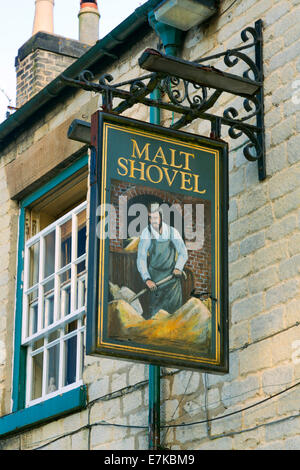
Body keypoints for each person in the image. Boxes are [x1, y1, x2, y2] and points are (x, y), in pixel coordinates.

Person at [137, 203, 188, 318]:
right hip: (155, 282)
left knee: (175, 316)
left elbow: (183, 253)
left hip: (171, 280)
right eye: (150, 218)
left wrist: (178, 268)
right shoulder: (146, 233)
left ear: (161, 217)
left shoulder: (172, 232)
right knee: (156, 317)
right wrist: (147, 279)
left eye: (155, 218)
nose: (153, 221)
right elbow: (141, 258)